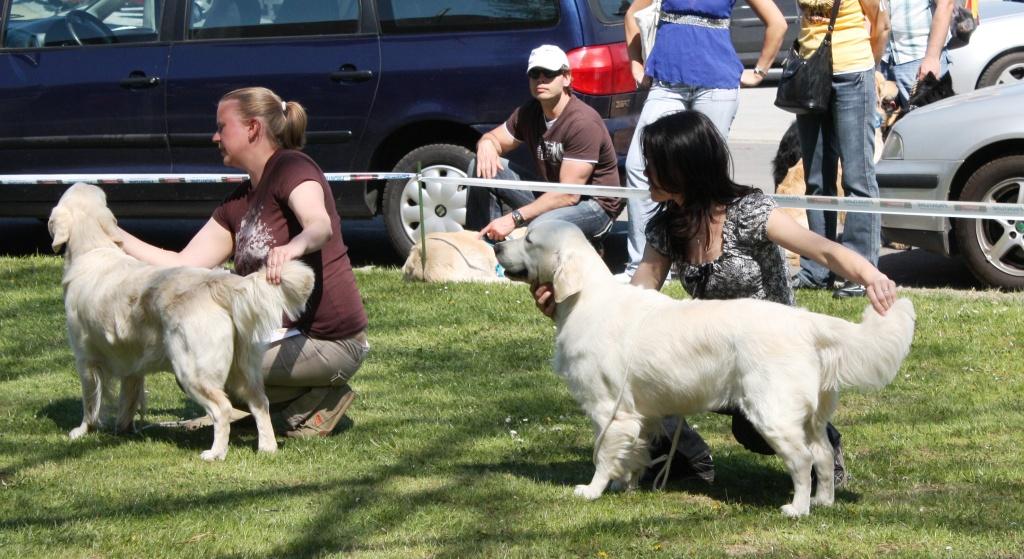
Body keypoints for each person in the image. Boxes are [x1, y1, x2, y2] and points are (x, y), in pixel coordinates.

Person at [534, 111, 898, 487]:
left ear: (682, 167)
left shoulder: (749, 211)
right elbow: (633, 301)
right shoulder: (667, 226)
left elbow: (820, 250)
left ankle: (823, 445)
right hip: (712, 347)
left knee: (753, 428)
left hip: (768, 348)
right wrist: (567, 306)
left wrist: (870, 275)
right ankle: (687, 459)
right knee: (647, 371)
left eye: (653, 162)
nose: (642, 171)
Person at [117, 86, 369, 438]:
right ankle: (294, 404)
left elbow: (320, 224)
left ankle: (314, 404)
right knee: (192, 358)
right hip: (282, 335)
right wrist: (112, 234)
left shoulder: (293, 167)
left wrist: (293, 248)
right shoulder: (238, 203)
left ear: (252, 128)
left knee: (203, 362)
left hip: (331, 342)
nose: (215, 136)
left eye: (222, 126)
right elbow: (183, 262)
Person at [618, 0, 787, 281]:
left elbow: (778, 23)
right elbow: (632, 15)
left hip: (717, 83)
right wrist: (636, 64)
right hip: (667, 82)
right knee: (640, 165)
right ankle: (641, 265)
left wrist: (759, 72)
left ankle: (706, 258)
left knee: (705, 176)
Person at [466, 44, 623, 244]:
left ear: (566, 78)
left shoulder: (582, 122)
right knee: (479, 166)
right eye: (534, 73)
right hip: (552, 194)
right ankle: (482, 248)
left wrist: (513, 218)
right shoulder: (528, 113)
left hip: (593, 207)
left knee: (541, 226)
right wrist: (487, 143)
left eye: (549, 73)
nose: (541, 79)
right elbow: (495, 139)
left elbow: (569, 195)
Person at [788, 0, 890, 297]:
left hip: (852, 74)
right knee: (817, 179)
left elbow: (881, 26)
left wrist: (866, 68)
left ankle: (860, 271)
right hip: (809, 73)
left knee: (857, 177)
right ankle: (817, 269)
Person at [882, 0, 955, 110]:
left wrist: (932, 57)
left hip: (921, 60)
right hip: (886, 60)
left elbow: (946, 3)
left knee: (931, 123)